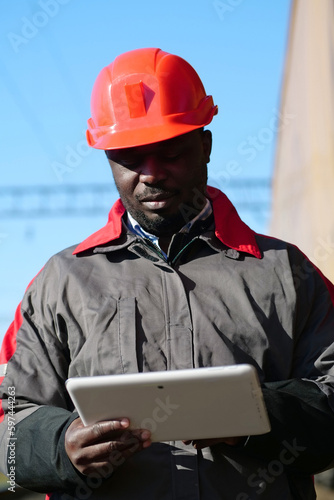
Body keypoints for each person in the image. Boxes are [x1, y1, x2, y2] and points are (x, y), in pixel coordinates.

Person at [1, 47, 334, 500]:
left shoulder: (287, 273)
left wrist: (252, 418)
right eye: (130, 159)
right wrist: (60, 447)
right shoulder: (59, 283)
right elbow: (9, 425)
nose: (151, 175)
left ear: (206, 146)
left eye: (170, 153)